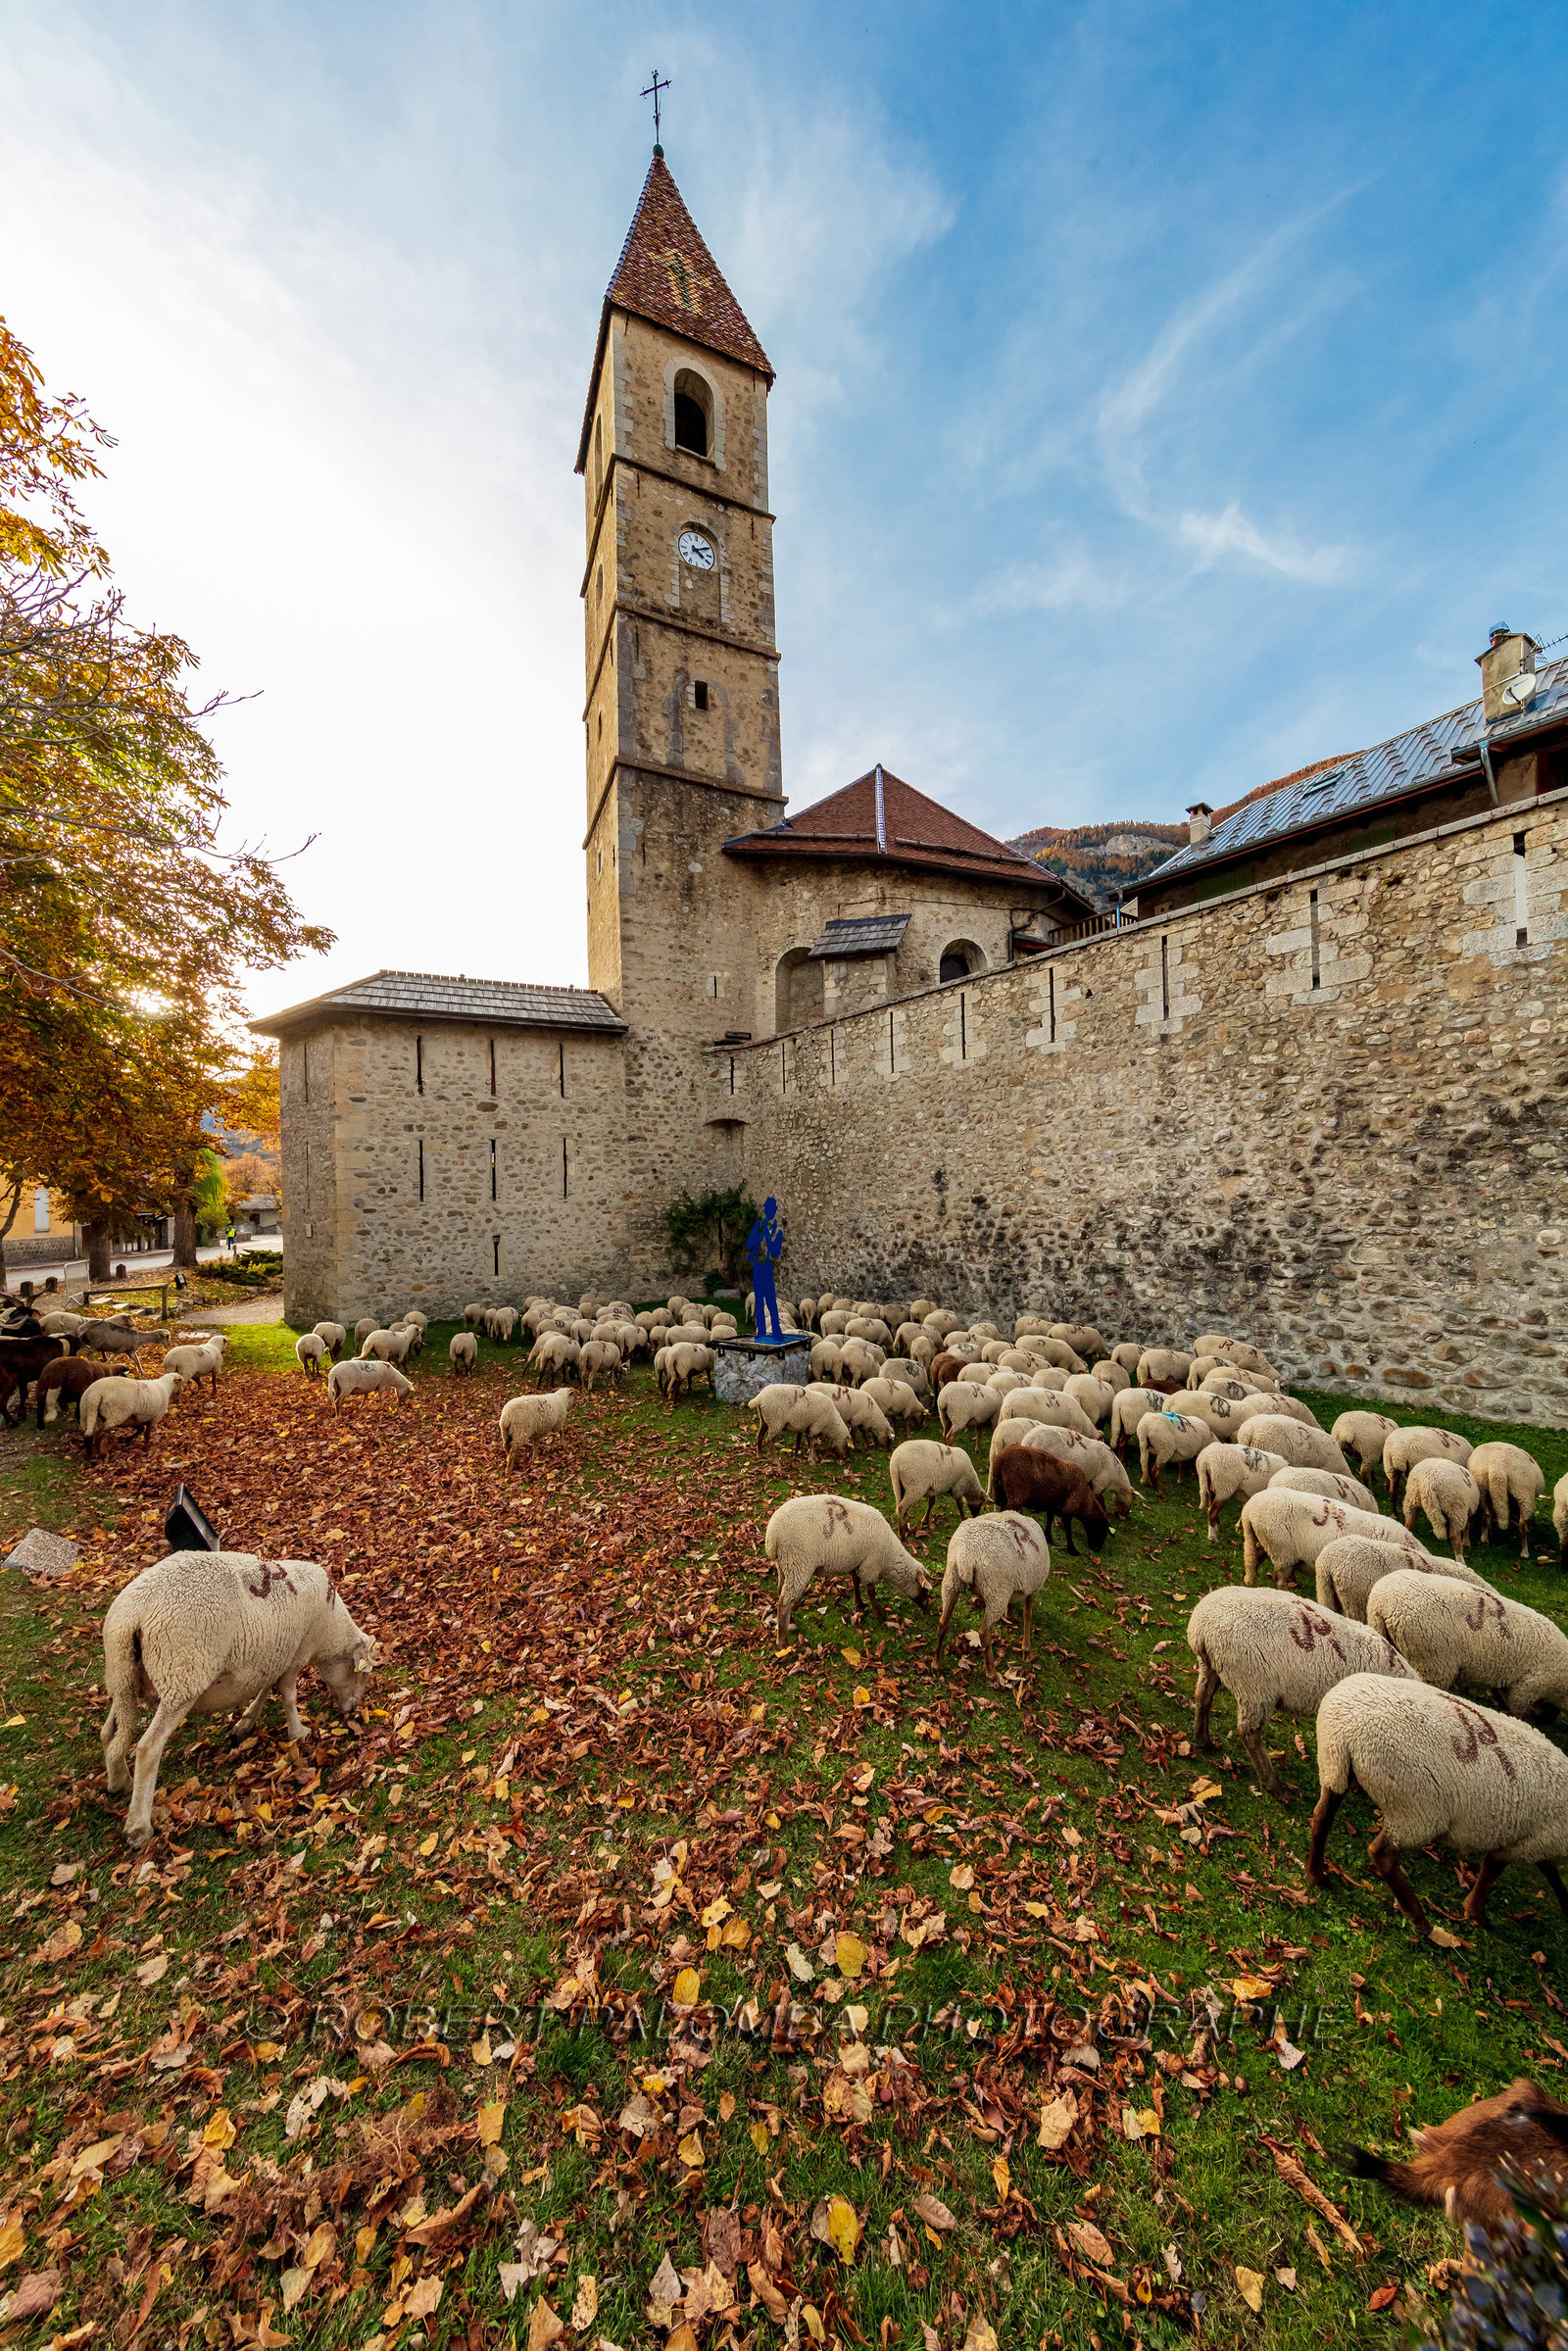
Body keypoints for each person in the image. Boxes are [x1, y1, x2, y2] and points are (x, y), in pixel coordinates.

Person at [746, 1197, 785, 1341]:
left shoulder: (778, 1231)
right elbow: (749, 1244)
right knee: (759, 1301)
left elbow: (775, 1252)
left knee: (771, 1302)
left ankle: (776, 1332)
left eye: (772, 1210)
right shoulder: (758, 1225)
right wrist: (758, 1236)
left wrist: (768, 1239)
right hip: (757, 1266)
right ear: (765, 1210)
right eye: (768, 1209)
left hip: (767, 1267)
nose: (770, 1212)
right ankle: (761, 1331)